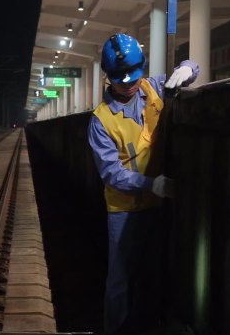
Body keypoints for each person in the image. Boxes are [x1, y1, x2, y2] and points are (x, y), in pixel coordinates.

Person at [87, 33, 199, 335]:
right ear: (109, 78)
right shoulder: (101, 121)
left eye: (134, 77)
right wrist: (152, 184)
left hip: (157, 204)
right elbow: (111, 172)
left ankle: (149, 326)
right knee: (121, 281)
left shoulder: (154, 88)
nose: (130, 84)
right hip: (124, 211)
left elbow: (193, 65)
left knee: (153, 273)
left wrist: (187, 69)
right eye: (122, 81)